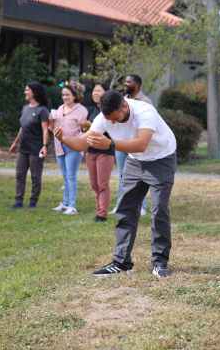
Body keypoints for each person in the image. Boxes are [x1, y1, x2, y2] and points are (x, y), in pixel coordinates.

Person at [54, 90, 177, 278]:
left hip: (161, 158)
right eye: (109, 120)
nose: (112, 123)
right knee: (125, 209)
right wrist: (64, 139)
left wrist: (110, 144)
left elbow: (141, 144)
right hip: (136, 161)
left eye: (116, 119)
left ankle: (160, 262)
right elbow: (81, 143)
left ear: (125, 107)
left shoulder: (145, 111)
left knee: (159, 208)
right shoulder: (104, 118)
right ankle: (122, 262)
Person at [109, 75, 153, 216]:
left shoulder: (146, 102)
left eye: (128, 81)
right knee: (123, 175)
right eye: (125, 81)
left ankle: (141, 207)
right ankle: (120, 205)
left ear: (137, 85)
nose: (125, 83)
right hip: (121, 144)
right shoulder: (120, 101)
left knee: (140, 176)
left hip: (136, 145)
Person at [9, 81, 49, 209]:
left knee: (35, 177)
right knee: (19, 175)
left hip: (36, 148)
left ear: (34, 92)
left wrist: (45, 146)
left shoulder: (42, 110)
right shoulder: (25, 108)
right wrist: (15, 143)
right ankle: (18, 202)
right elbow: (23, 127)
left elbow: (45, 130)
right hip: (22, 148)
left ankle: (33, 202)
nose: (25, 92)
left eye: (27, 90)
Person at [49, 81, 87, 215]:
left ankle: (72, 206)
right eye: (63, 95)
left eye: (67, 95)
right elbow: (53, 129)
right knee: (65, 177)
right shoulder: (59, 109)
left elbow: (84, 130)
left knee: (71, 176)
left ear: (74, 95)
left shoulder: (82, 110)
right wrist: (51, 122)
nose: (65, 97)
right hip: (59, 146)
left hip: (73, 146)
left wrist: (78, 142)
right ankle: (65, 204)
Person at [79, 82, 115, 223]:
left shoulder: (110, 111)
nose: (95, 93)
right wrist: (84, 127)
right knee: (94, 184)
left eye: (98, 91)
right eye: (94, 91)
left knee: (102, 184)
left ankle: (102, 215)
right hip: (91, 151)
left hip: (105, 151)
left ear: (106, 94)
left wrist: (91, 125)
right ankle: (98, 211)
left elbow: (111, 129)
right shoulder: (91, 110)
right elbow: (87, 131)